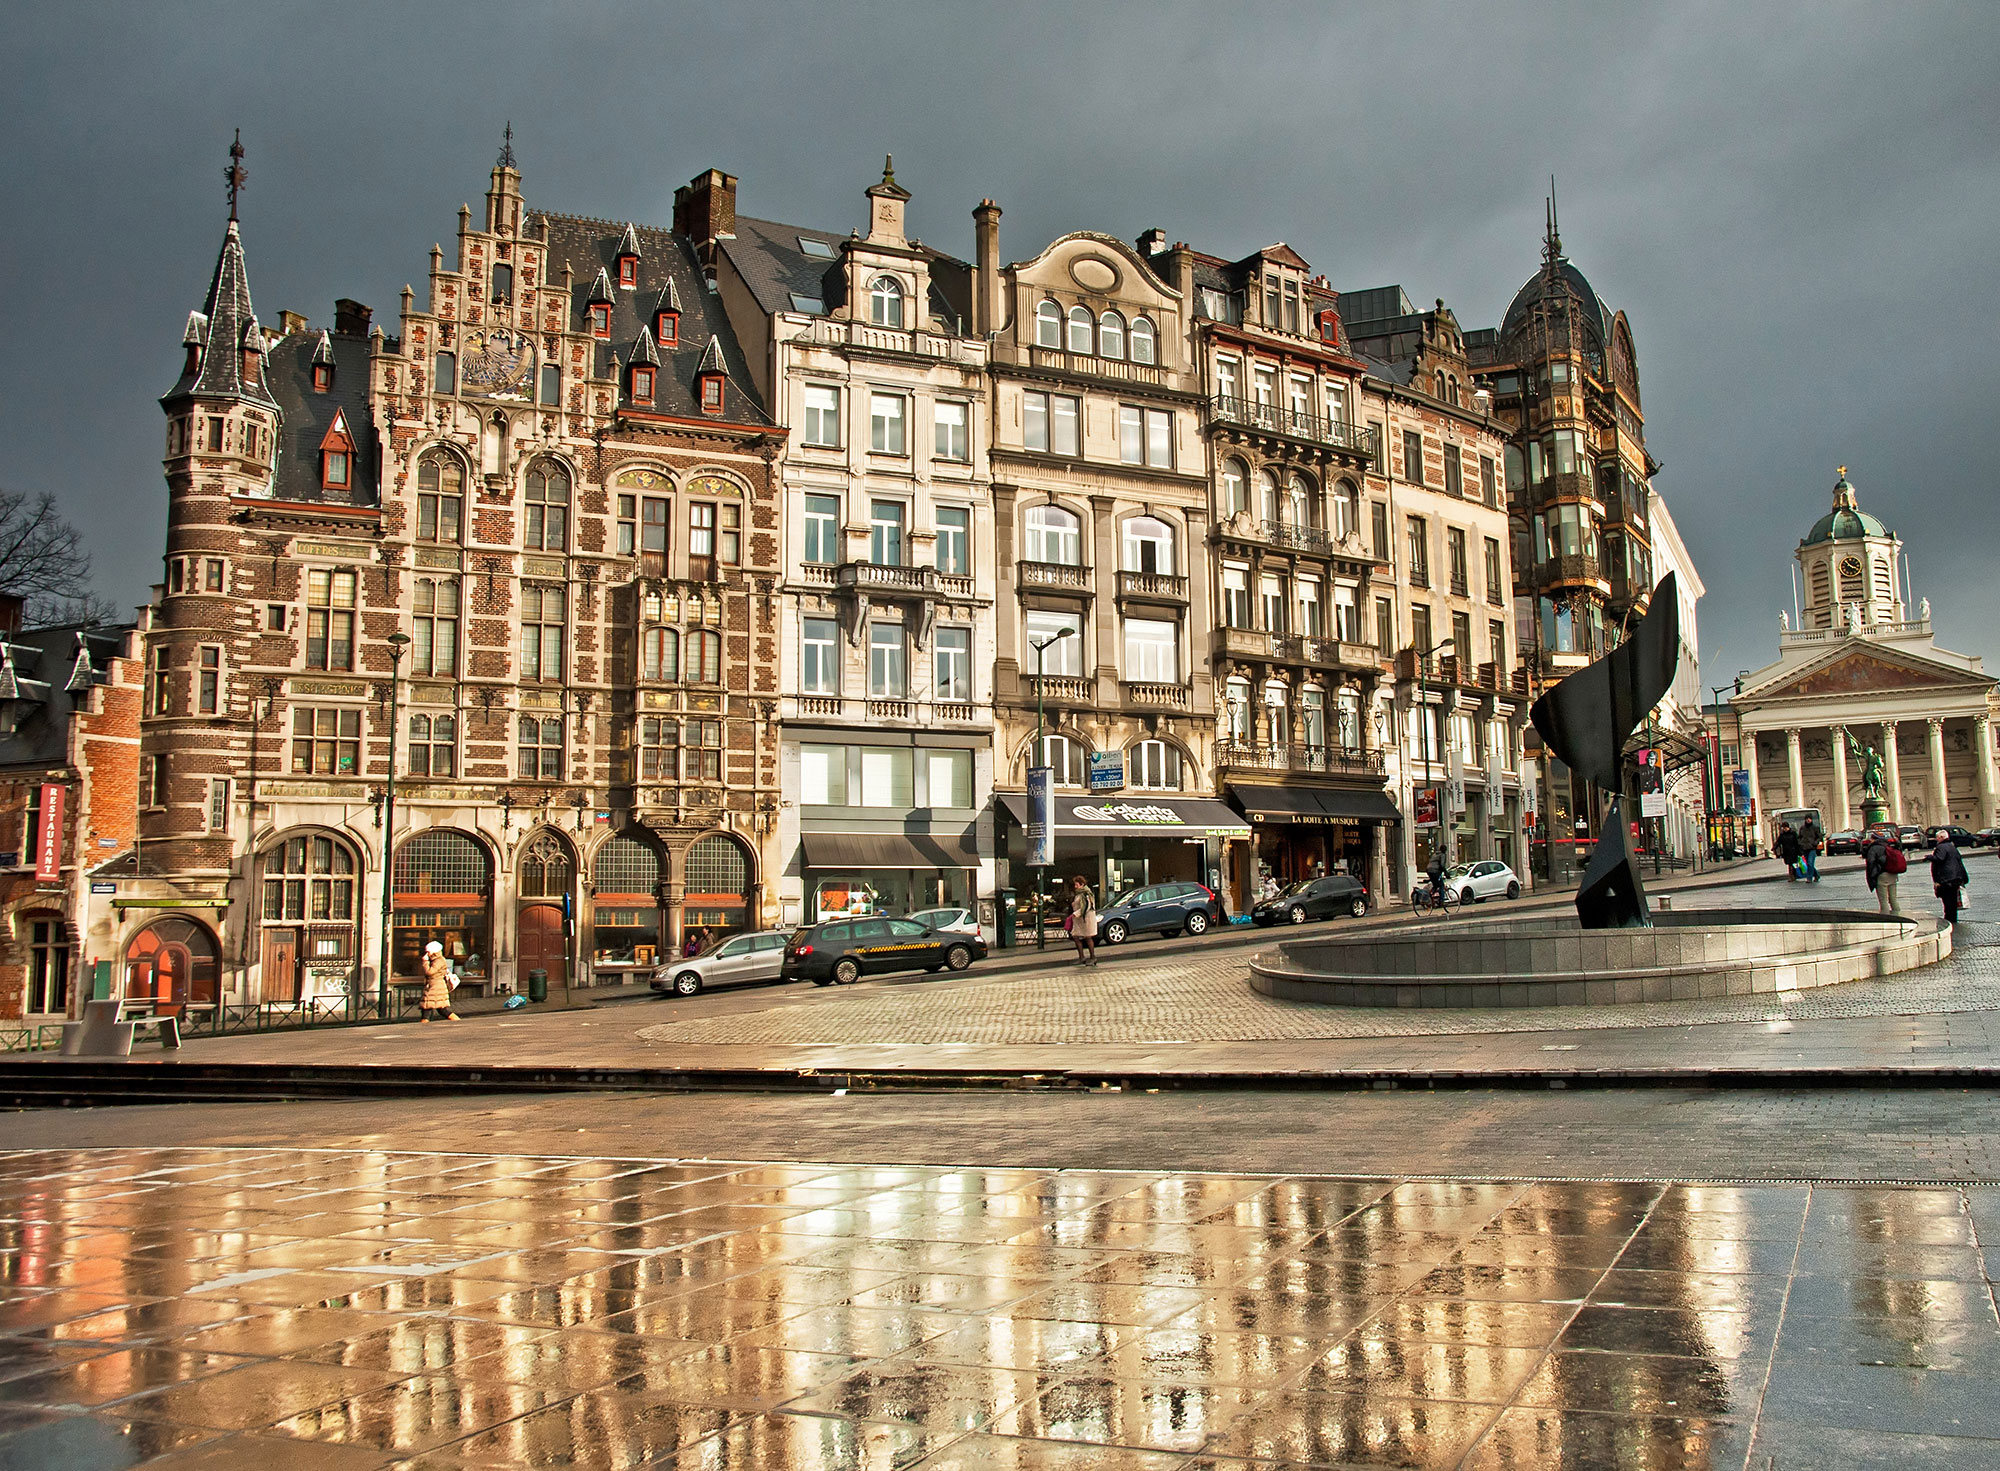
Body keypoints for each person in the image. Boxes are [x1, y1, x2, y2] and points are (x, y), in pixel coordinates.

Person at [1931, 833, 1970, 925]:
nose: (1936, 840)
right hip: (1955, 878)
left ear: (1941, 837)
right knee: (1952, 902)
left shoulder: (1941, 847)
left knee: (1947, 902)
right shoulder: (1952, 847)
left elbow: (1940, 859)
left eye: (1937, 838)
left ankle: (1949, 921)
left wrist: (1930, 857)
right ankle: (1953, 919)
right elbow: (1959, 862)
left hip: (1946, 879)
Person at [418, 940, 458, 1022]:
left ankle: (423, 1025)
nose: (427, 954)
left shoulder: (439, 960)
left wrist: (425, 962)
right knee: (440, 1009)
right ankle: (457, 1020)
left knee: (427, 1007)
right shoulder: (436, 960)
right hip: (435, 987)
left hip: (435, 988)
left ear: (433, 951)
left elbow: (430, 972)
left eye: (428, 952)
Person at [1069, 875, 1099, 965]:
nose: (1075, 887)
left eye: (1076, 884)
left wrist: (1076, 913)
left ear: (1082, 884)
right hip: (1079, 920)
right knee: (1076, 936)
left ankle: (1093, 957)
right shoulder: (1079, 894)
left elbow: (1087, 906)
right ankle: (1082, 957)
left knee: (1088, 937)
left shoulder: (1086, 893)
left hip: (1086, 919)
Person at [1800, 818, 1823, 883]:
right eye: (1807, 819)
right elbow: (1799, 837)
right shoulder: (1802, 828)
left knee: (1810, 863)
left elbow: (1819, 837)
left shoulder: (1815, 828)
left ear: (1811, 820)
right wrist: (1800, 843)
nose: (1808, 820)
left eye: (1809, 819)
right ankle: (1817, 875)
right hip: (1805, 848)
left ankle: (1809, 878)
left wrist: (1815, 843)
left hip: (1812, 848)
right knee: (1809, 864)